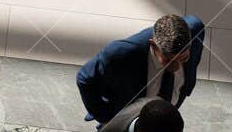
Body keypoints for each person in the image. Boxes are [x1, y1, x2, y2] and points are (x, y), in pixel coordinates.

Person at [75, 14, 205, 125]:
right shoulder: (120, 53)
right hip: (127, 121)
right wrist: (108, 119)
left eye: (183, 58)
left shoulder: (195, 30)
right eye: (168, 61)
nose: (176, 67)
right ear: (153, 46)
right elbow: (84, 78)